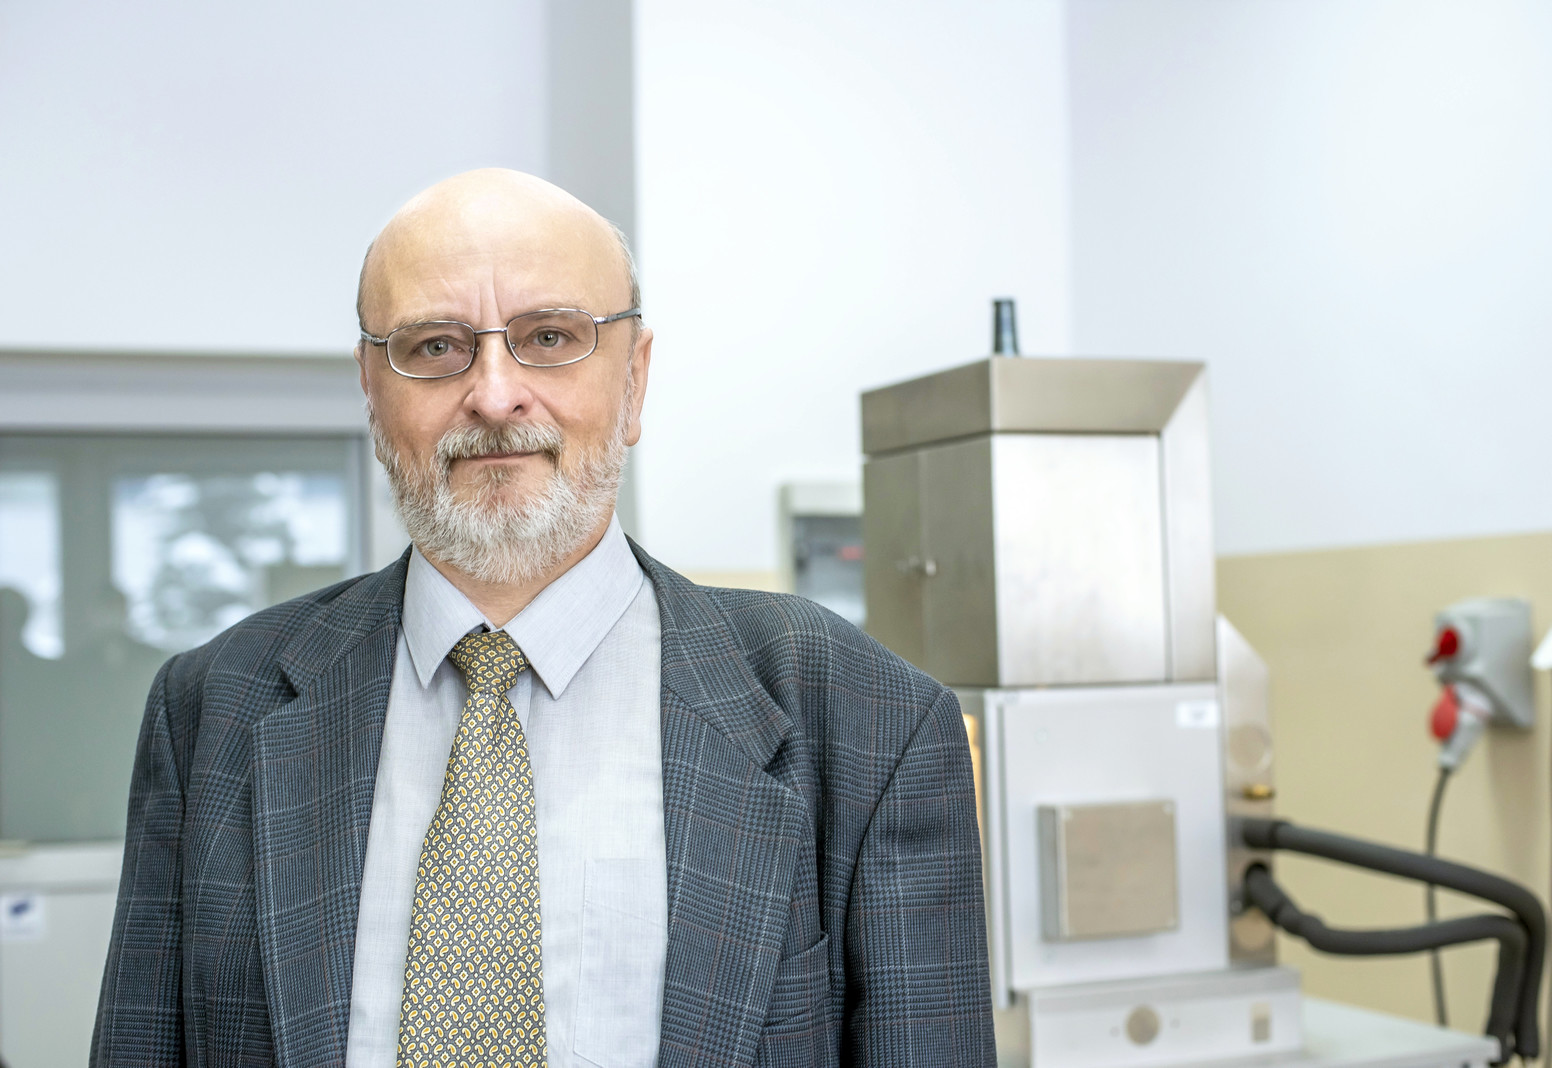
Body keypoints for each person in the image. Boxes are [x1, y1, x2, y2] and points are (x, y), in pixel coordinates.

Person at [92, 169, 994, 1067]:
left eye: (550, 337)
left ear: (634, 379)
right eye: (435, 347)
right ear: (371, 388)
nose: (494, 395)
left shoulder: (867, 720)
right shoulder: (213, 708)